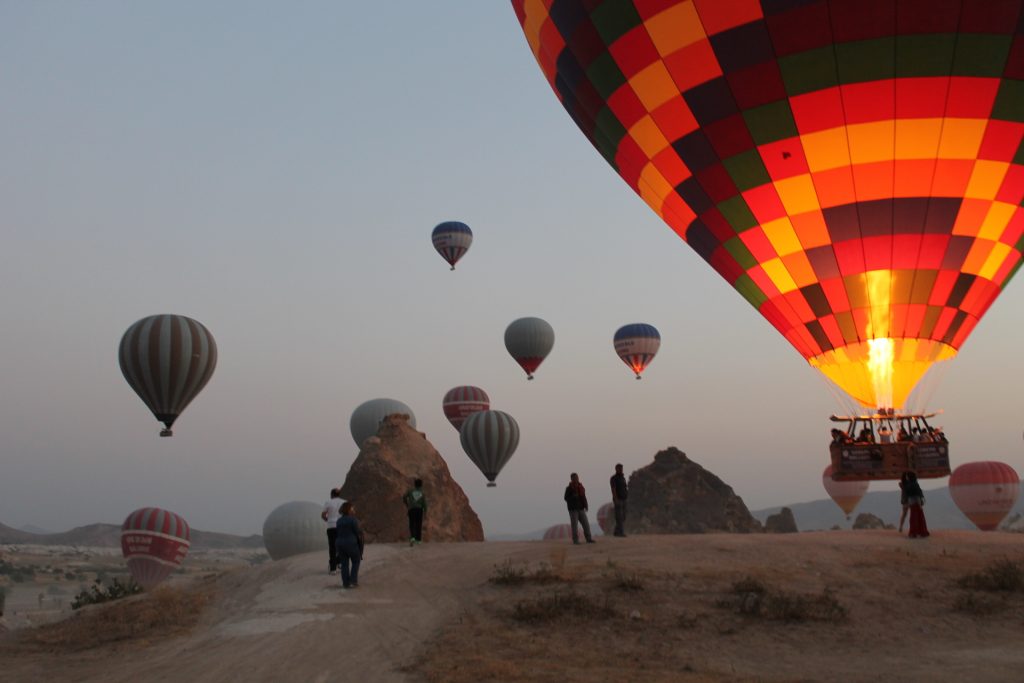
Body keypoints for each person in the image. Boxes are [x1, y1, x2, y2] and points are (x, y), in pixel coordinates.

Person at [335, 501, 365, 588]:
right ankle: (353, 581)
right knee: (356, 561)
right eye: (352, 508)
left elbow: (338, 532)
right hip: (351, 544)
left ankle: (345, 583)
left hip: (340, 544)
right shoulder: (353, 520)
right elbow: (357, 532)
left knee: (344, 564)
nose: (353, 509)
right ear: (349, 509)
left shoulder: (339, 521)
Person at [563, 473, 595, 544]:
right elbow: (566, 498)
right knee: (574, 525)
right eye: (574, 478)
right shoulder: (569, 488)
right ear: (571, 479)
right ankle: (575, 540)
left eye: (576, 477)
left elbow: (583, 497)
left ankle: (588, 538)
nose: (576, 479)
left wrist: (586, 505)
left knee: (586, 524)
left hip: (581, 508)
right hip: (573, 509)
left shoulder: (580, 487)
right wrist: (573, 497)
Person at [321, 488, 344, 574]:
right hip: (342, 526)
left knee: (332, 547)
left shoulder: (328, 502)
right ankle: (340, 563)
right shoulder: (344, 502)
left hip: (331, 526)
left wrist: (328, 520)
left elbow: (323, 515)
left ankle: (333, 569)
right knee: (342, 546)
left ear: (331, 495)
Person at [901, 471, 929, 539]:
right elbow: (919, 494)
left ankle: (913, 533)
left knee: (914, 519)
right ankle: (922, 533)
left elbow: (916, 495)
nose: (906, 477)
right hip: (916, 503)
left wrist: (919, 504)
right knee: (920, 518)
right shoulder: (914, 484)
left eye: (907, 476)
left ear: (909, 477)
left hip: (914, 503)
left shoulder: (911, 485)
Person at [403, 478, 427, 546]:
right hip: (419, 510)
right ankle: (418, 540)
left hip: (412, 509)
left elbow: (404, 496)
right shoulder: (422, 492)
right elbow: (424, 503)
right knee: (419, 524)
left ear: (414, 484)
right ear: (421, 485)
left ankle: (412, 538)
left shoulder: (410, 491)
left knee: (412, 523)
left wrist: (407, 504)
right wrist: (425, 511)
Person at [609, 463, 628, 537]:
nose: (620, 470)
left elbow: (625, 488)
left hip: (624, 499)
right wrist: (615, 499)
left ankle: (616, 531)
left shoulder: (623, 478)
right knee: (619, 517)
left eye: (621, 468)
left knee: (623, 517)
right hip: (618, 499)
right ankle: (621, 532)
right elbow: (613, 489)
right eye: (619, 468)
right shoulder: (614, 478)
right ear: (616, 469)